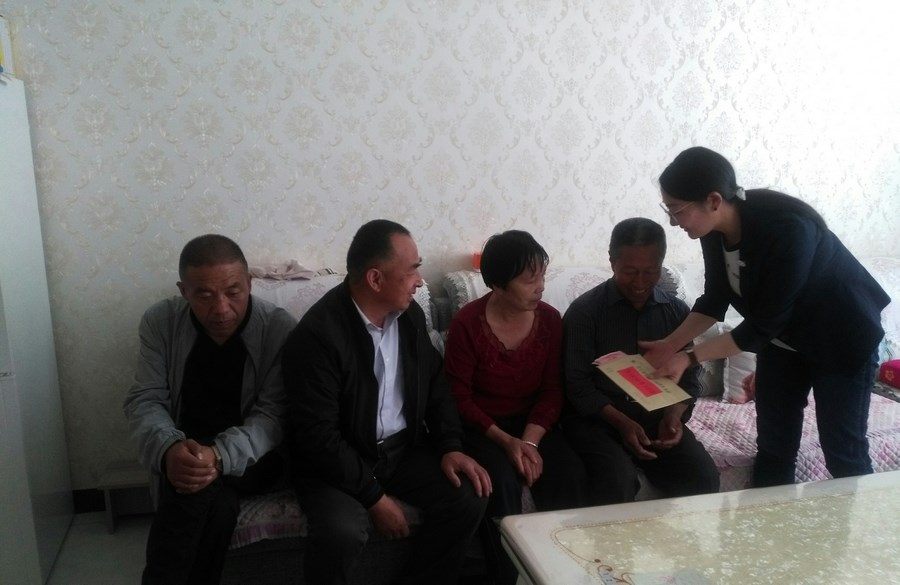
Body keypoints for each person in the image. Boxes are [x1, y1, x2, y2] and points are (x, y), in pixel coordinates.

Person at [644, 146, 890, 487]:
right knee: (774, 447)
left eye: (676, 210)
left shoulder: (788, 228)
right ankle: (768, 522)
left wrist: (688, 357)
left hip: (841, 340)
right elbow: (715, 299)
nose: (673, 221)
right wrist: (671, 345)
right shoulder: (713, 232)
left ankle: (867, 522)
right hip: (783, 342)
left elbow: (762, 325)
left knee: (843, 452)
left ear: (713, 200)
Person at [282, 219, 491, 585]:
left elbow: (436, 385)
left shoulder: (410, 315)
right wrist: (374, 498)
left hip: (400, 450)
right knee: (342, 531)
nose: (420, 281)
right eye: (412, 271)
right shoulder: (318, 336)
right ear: (375, 279)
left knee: (468, 495)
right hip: (337, 460)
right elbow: (317, 436)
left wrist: (450, 446)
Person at [123, 234, 296, 585]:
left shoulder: (278, 328)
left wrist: (217, 456)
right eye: (204, 295)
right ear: (184, 291)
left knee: (190, 489)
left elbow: (274, 415)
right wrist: (169, 447)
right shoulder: (160, 322)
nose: (221, 309)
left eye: (233, 292)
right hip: (186, 449)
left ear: (249, 283)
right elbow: (146, 399)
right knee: (217, 505)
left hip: (257, 458)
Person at [444, 230, 588, 585]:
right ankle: (505, 578)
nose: (540, 287)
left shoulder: (551, 320)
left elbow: (553, 390)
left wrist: (529, 442)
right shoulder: (467, 323)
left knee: (569, 474)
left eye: (542, 276)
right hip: (483, 428)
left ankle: (564, 573)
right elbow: (458, 397)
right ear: (498, 284)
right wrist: (507, 442)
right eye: (529, 279)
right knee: (500, 482)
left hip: (534, 425)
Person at [563, 218, 720, 504]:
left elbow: (689, 379)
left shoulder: (676, 312)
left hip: (656, 419)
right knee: (617, 481)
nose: (640, 283)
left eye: (650, 271)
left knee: (703, 477)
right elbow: (576, 385)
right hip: (599, 421)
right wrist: (622, 423)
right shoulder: (584, 313)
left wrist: (673, 417)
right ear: (612, 262)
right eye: (630, 272)